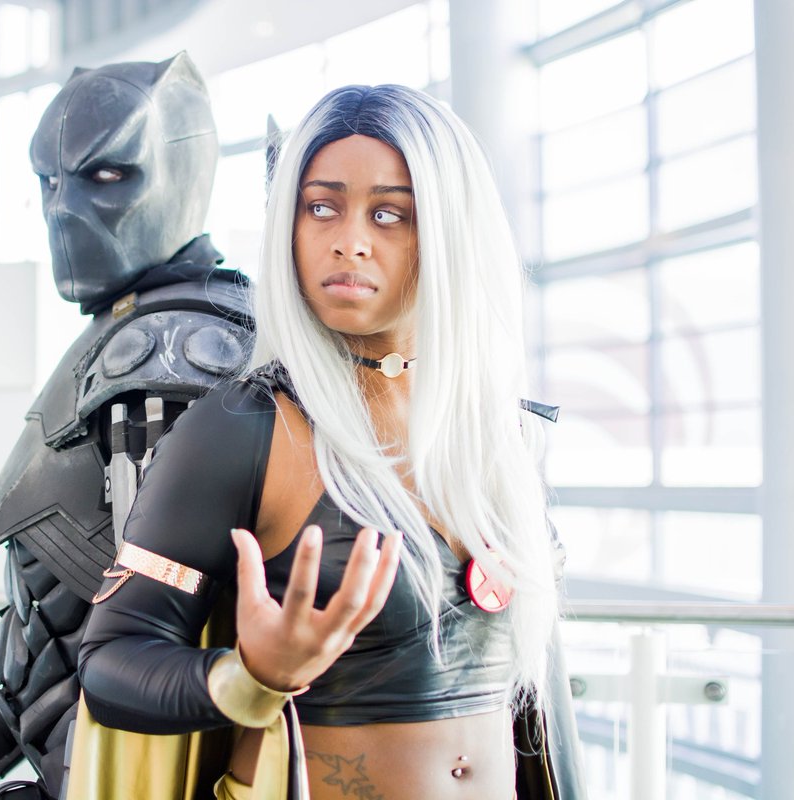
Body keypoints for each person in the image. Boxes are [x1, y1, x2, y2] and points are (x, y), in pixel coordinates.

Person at [75, 84, 585, 800]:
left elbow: (539, 694)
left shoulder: (502, 431)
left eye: (389, 213)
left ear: (450, 230)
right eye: (321, 207)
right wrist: (251, 676)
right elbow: (110, 664)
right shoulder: (247, 426)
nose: (349, 240)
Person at [0, 53, 253, 800]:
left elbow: (153, 649)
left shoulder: (166, 355)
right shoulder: (129, 331)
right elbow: (68, 633)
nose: (64, 210)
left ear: (182, 170)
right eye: (49, 181)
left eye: (107, 175)